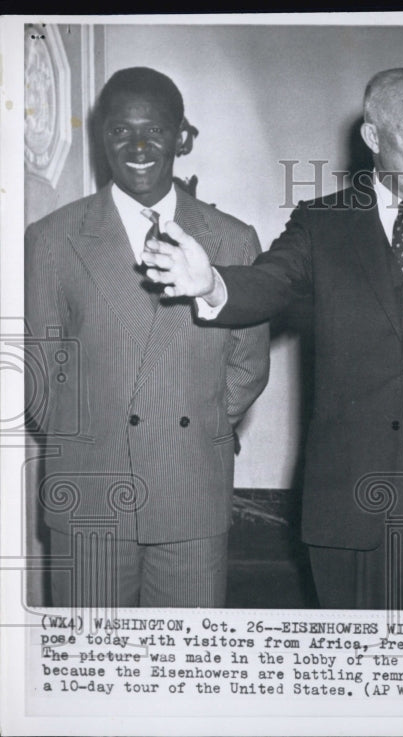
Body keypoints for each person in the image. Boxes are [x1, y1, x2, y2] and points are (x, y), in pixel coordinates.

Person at [141, 68, 403, 610]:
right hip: (349, 508)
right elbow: (269, 282)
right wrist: (211, 283)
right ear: (374, 137)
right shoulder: (321, 223)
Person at [25, 67, 270, 607]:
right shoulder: (51, 239)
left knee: (184, 673)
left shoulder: (233, 238)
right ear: (100, 135)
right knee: (89, 670)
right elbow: (38, 382)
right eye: (119, 131)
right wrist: (99, 439)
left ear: (181, 136)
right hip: (90, 491)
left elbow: (249, 365)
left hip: (191, 492)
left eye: (154, 130)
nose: (137, 146)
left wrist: (194, 425)